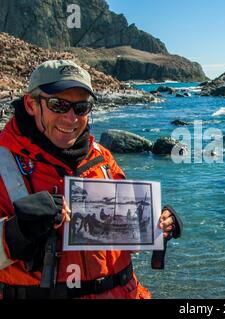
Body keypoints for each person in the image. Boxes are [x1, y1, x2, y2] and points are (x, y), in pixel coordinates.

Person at [0, 60, 182, 299]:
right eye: (58, 105)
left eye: (81, 108)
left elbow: (124, 232)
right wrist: (16, 231)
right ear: (31, 104)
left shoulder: (101, 157)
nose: (71, 118)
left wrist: (156, 225)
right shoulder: (4, 160)